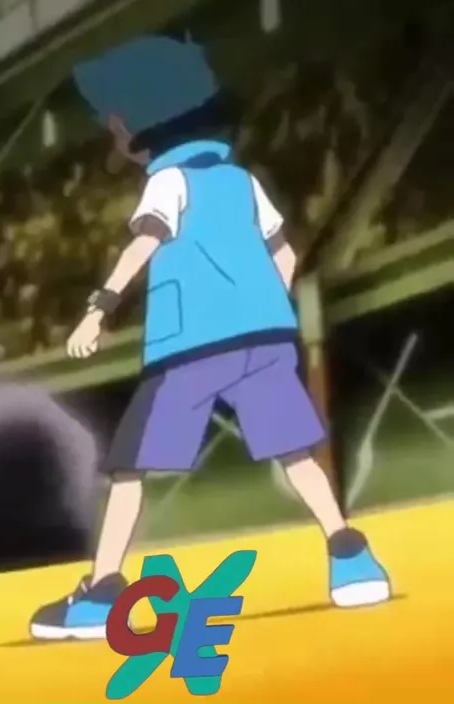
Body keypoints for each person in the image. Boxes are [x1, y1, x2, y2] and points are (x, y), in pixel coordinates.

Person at [28, 35, 391, 641]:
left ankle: (104, 593)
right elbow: (284, 255)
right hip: (262, 336)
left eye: (117, 122)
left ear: (149, 122)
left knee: (129, 470)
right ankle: (351, 557)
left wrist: (99, 310)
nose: (113, 133)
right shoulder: (243, 182)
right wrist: (263, 307)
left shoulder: (168, 183)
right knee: (296, 452)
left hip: (188, 345)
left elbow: (143, 245)